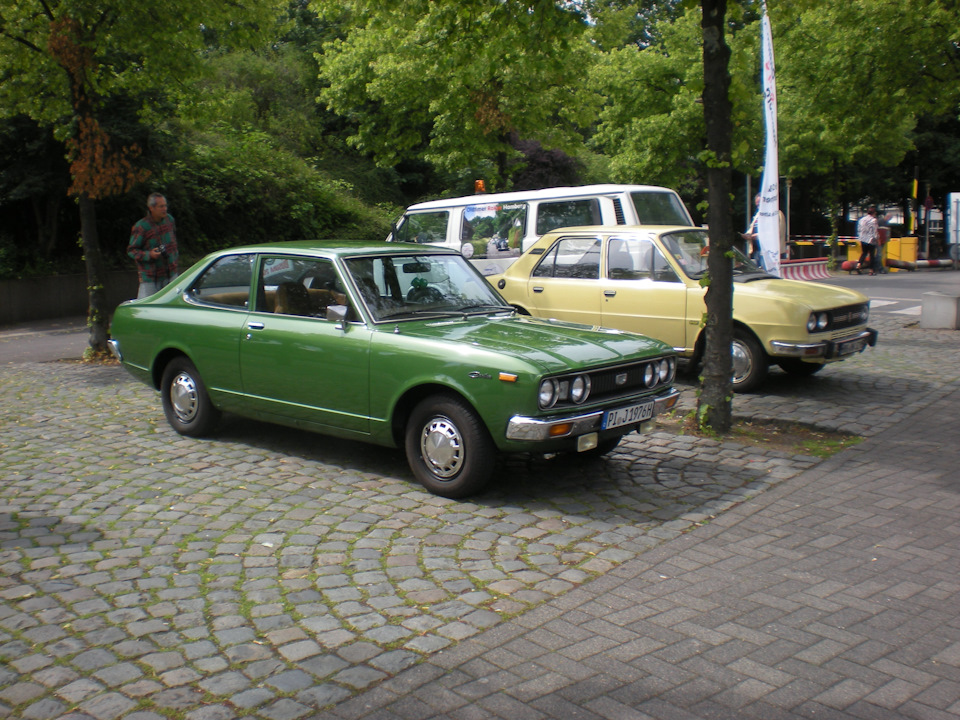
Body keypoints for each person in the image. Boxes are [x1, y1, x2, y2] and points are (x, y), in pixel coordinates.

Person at [128, 193, 179, 298]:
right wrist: (149, 255)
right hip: (150, 278)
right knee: (146, 309)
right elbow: (131, 251)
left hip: (170, 273)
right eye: (161, 206)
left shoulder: (169, 220)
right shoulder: (142, 226)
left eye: (165, 206)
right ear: (151, 208)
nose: (164, 209)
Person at [856, 205, 879, 276]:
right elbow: (874, 231)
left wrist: (860, 236)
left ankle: (858, 265)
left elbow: (859, 229)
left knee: (864, 252)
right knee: (872, 255)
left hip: (862, 238)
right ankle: (871, 270)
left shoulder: (861, 219)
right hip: (870, 239)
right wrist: (877, 238)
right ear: (874, 213)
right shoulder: (873, 220)